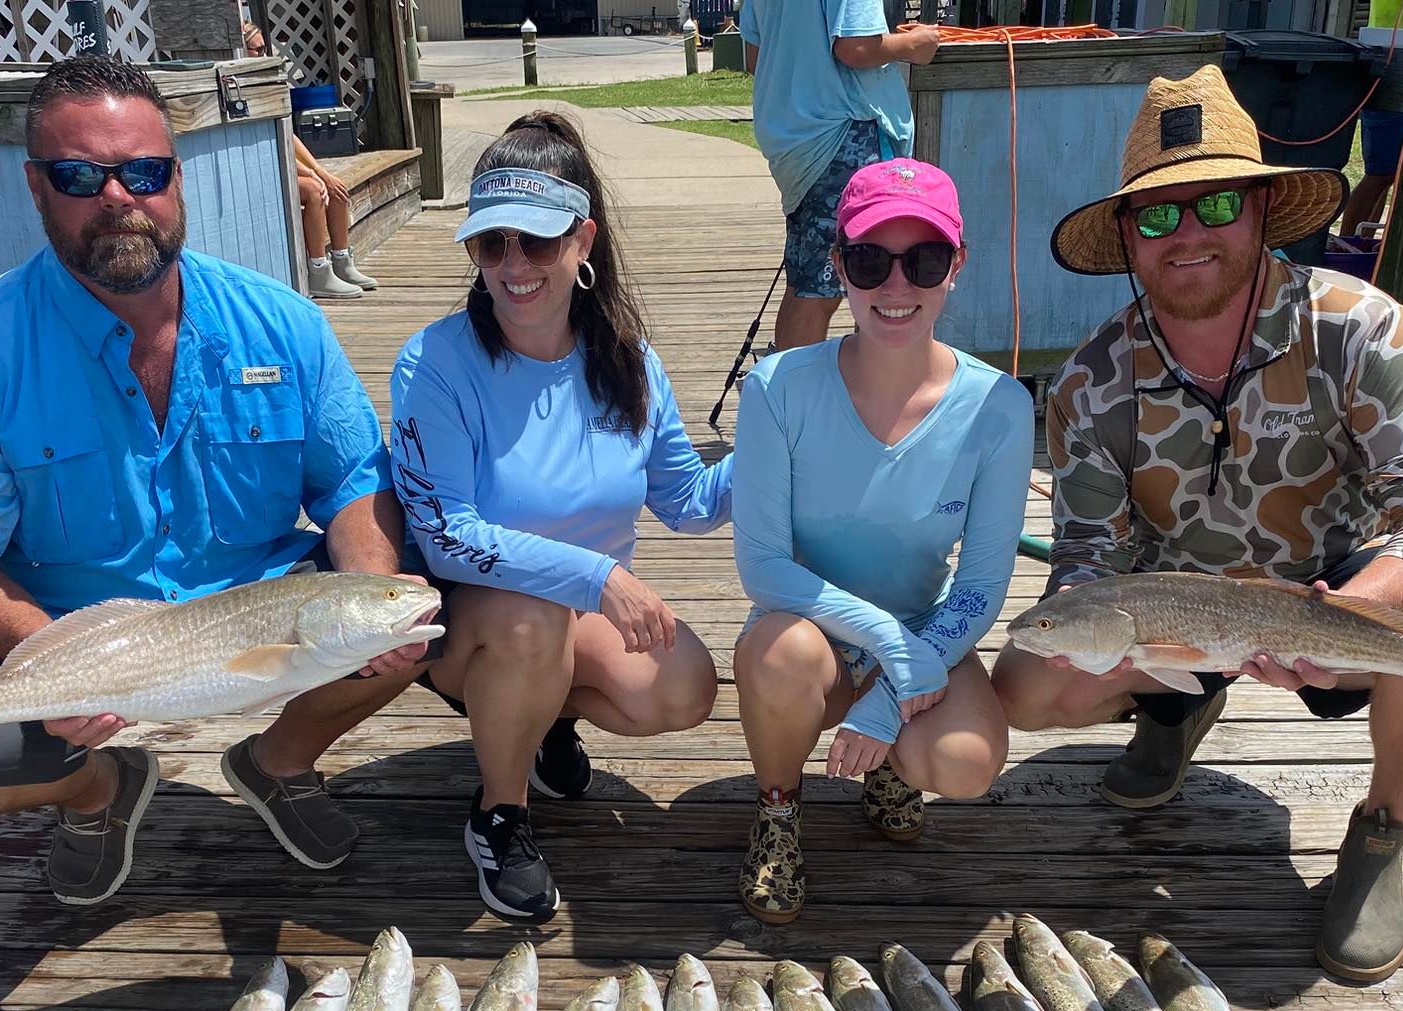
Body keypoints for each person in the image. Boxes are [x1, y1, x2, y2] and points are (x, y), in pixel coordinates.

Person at [991, 66, 1403, 984]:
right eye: (1155, 216)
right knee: (1029, 679)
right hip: (1177, 613)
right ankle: (1175, 710)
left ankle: (1381, 835)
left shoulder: (1360, 328)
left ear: (1263, 209)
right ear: (1128, 241)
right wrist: (1087, 618)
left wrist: (1355, 609)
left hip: (1337, 599)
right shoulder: (1090, 382)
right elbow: (1086, 551)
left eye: (1214, 202)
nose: (1185, 234)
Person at [0, 55, 426, 907]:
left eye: (143, 171)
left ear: (176, 179)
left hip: (255, 599)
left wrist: (369, 591)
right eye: (80, 175)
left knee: (400, 616)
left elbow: (354, 483)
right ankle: (99, 794)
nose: (117, 197)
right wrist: (56, 664)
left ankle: (275, 763)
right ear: (36, 188)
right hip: (73, 629)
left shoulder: (282, 320)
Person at [389, 112, 732, 921]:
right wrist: (601, 575)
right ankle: (500, 813)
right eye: (490, 243)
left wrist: (785, 442)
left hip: (575, 614)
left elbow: (686, 500)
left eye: (537, 243)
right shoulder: (434, 362)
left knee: (684, 690)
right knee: (533, 620)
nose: (513, 266)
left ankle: (539, 722)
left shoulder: (629, 358)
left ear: (584, 240)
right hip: (470, 626)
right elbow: (447, 533)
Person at [731, 159, 1028, 924]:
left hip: (932, 631)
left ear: (956, 268)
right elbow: (763, 567)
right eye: (869, 261)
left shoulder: (1000, 405)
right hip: (809, 630)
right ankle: (777, 812)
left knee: (962, 764)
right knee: (777, 653)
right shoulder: (777, 389)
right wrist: (886, 645)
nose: (896, 288)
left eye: (924, 261)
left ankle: (895, 764)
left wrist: (897, 688)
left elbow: (981, 590)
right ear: (838, 268)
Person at [740, 0, 941, 352]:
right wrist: (915, 45)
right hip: (845, 135)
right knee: (842, 287)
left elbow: (755, 59)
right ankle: (804, 400)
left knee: (807, 282)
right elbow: (856, 46)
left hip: (794, 141)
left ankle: (787, 395)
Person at [243, 20, 377, 300]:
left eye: (263, 48)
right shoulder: (244, 89)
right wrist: (315, 175)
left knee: (334, 185)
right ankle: (318, 270)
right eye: (256, 50)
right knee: (315, 190)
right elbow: (273, 146)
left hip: (280, 159)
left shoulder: (265, 83)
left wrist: (319, 169)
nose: (262, 54)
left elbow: (287, 136)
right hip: (260, 166)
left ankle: (342, 260)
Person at [1336, 0, 1403, 239]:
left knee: (1386, 173)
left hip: (1392, 56)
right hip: (1396, 61)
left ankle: (1360, 241)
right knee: (1380, 173)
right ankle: (1347, 245)